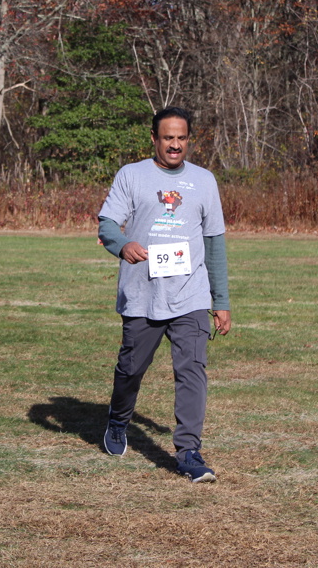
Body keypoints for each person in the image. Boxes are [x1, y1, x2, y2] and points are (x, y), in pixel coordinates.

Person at [97, 106, 231, 483]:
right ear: (154, 139)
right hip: (143, 293)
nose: (175, 145)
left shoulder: (204, 181)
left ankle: (188, 452)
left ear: (189, 140)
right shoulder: (132, 175)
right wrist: (123, 244)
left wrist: (220, 301)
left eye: (181, 138)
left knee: (192, 369)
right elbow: (107, 223)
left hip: (190, 294)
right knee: (131, 368)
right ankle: (118, 420)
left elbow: (214, 243)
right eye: (168, 137)